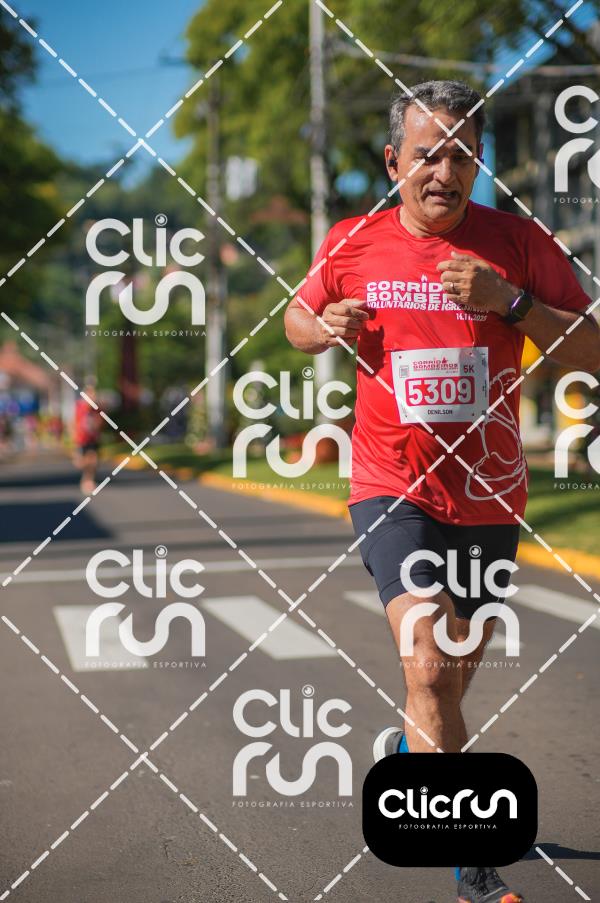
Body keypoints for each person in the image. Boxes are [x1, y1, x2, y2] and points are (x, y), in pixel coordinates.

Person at [284, 80, 600, 903]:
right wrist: (325, 327)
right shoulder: (354, 240)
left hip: (490, 496)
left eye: (461, 155)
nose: (444, 171)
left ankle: (408, 757)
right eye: (428, 154)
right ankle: (473, 866)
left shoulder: (519, 242)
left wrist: (511, 302)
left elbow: (593, 348)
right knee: (426, 666)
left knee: (447, 681)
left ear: (478, 162)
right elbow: (296, 317)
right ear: (395, 163)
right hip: (392, 485)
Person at [73, 383, 103, 494]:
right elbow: (74, 423)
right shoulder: (80, 407)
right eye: (90, 394)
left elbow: (100, 422)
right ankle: (86, 479)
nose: (92, 396)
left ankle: (89, 480)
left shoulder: (97, 408)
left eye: (93, 394)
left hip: (93, 438)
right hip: (82, 439)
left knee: (94, 461)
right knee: (84, 462)